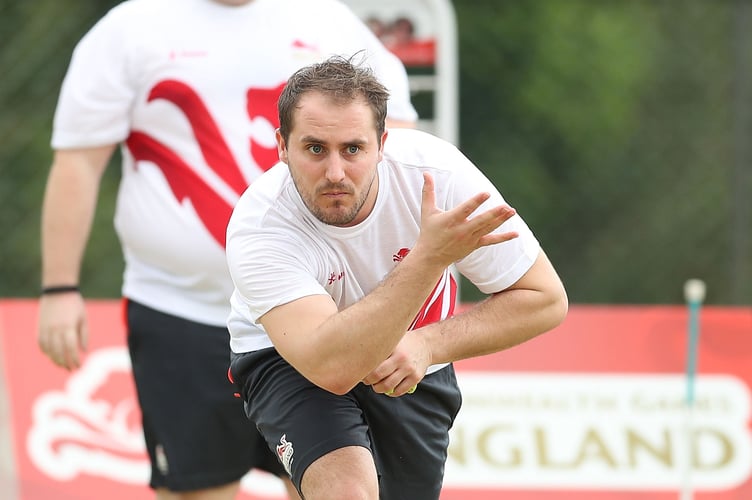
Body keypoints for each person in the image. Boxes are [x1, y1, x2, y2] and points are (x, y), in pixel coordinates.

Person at [37, 1, 418, 499]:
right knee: (199, 489)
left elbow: (399, 154)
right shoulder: (131, 28)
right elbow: (78, 163)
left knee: (337, 489)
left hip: (318, 314)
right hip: (181, 310)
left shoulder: (327, 21)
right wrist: (60, 286)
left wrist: (402, 306)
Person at [225, 56, 569, 500]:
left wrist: (428, 345)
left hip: (415, 359)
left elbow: (544, 299)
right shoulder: (261, 224)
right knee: (347, 490)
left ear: (383, 143)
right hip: (292, 359)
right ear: (281, 146)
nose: (335, 173)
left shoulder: (437, 176)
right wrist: (428, 259)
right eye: (314, 149)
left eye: (353, 149)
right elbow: (331, 368)